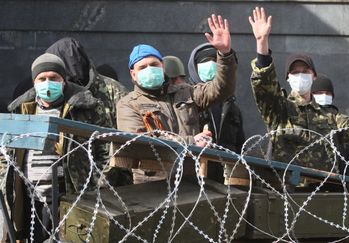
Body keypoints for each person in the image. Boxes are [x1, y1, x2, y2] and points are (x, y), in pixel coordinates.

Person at [248, 7, 349, 173]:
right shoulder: (279, 110)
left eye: (305, 71)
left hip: (323, 189)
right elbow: (263, 84)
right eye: (294, 72)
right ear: (287, 78)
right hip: (289, 189)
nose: (300, 75)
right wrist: (262, 44)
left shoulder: (330, 116)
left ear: (314, 76)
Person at [116, 14, 237, 182]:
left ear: (162, 66)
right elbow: (139, 144)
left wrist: (225, 55)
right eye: (142, 67)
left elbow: (221, 90)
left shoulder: (185, 92)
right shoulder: (128, 104)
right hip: (152, 186)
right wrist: (191, 142)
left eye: (154, 65)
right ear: (133, 74)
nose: (149, 70)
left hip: (190, 180)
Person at [2, 53, 109, 242]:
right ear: (34, 82)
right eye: (42, 79)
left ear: (64, 81)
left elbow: (105, 149)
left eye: (53, 78)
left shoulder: (85, 107)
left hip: (70, 195)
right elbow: (6, 151)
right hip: (30, 198)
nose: (47, 83)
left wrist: (96, 185)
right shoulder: (22, 109)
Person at [46, 37, 132, 187]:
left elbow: (126, 136)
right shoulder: (57, 94)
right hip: (67, 180)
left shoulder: (113, 90)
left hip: (112, 180)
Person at [188, 43, 246, 185]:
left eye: (215, 61)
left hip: (226, 178)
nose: (210, 65)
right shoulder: (188, 102)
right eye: (204, 62)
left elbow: (241, 146)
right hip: (195, 177)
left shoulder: (232, 107)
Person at [311, 74, 349, 176]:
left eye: (328, 93)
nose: (324, 96)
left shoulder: (338, 119)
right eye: (319, 93)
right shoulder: (303, 118)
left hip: (335, 178)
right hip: (306, 177)